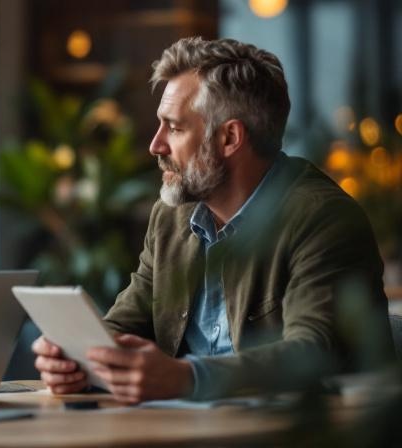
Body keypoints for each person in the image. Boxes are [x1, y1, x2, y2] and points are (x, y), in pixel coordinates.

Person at [32, 37, 394, 402]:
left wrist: (186, 378)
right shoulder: (171, 218)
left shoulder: (323, 219)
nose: (155, 145)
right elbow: (127, 324)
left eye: (174, 128)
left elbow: (311, 352)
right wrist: (78, 361)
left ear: (229, 138)